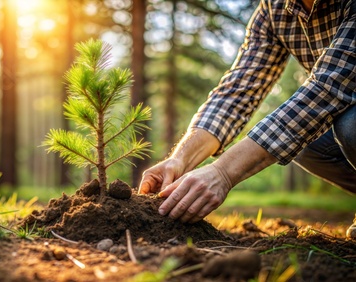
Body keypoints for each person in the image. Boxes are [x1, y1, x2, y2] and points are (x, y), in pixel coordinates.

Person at [139, 0, 356, 238]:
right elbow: (237, 93)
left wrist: (222, 172)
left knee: (350, 125)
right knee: (306, 143)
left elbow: (328, 89)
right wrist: (180, 160)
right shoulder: (274, 9)